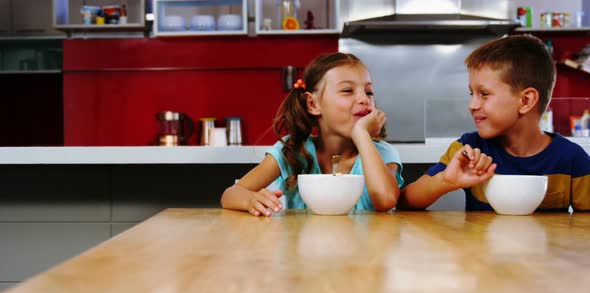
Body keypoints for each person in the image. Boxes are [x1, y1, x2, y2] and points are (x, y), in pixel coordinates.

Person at [398, 34, 590, 212]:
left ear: (525, 101)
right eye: (471, 93)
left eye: (484, 94)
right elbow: (405, 201)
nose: (472, 105)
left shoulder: (572, 159)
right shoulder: (467, 150)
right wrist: (446, 181)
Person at [221, 52, 404, 216]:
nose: (364, 99)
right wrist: (250, 200)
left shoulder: (382, 153)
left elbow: (386, 199)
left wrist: (362, 135)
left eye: (369, 92)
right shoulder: (293, 151)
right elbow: (230, 194)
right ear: (313, 104)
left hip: (369, 253)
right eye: (347, 90)